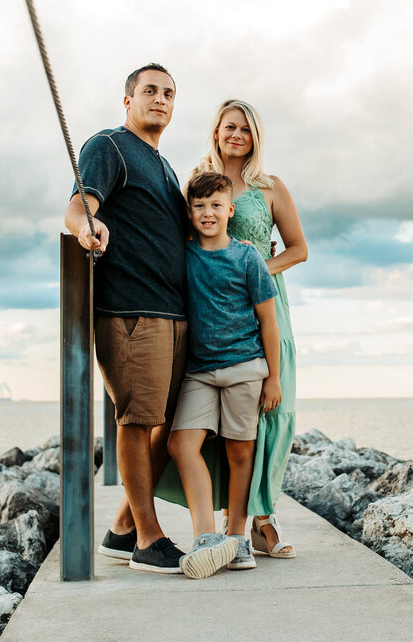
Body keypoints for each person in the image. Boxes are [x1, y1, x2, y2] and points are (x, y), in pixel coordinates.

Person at [63, 63, 190, 574]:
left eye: (169, 93)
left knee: (173, 422)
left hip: (175, 312)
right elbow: (78, 208)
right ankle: (148, 538)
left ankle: (121, 529)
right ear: (128, 100)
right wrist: (84, 228)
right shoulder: (109, 147)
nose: (160, 99)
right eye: (150, 91)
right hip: (132, 311)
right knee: (137, 422)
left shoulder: (164, 164)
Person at [197, 99, 307, 558]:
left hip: (266, 305)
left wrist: (260, 265)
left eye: (244, 128)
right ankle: (235, 517)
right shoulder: (203, 183)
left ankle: (264, 516)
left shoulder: (270, 186)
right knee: (224, 415)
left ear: (255, 135)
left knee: (272, 408)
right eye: (229, 127)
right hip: (218, 306)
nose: (236, 134)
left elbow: (298, 248)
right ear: (217, 132)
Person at [170, 171, 282, 579]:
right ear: (189, 211)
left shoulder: (248, 256)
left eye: (216, 205)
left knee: (240, 453)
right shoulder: (183, 253)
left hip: (245, 367)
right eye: (199, 206)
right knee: (182, 445)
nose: (207, 213)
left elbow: (268, 320)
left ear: (230, 210)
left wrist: (274, 377)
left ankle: (237, 537)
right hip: (199, 371)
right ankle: (206, 538)